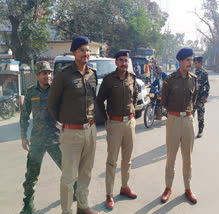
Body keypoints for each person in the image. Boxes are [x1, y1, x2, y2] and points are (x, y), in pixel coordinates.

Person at [48, 36, 98, 214]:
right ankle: (67, 211)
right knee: (69, 177)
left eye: (87, 50)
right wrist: (65, 123)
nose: (86, 53)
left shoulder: (92, 73)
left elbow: (93, 100)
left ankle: (82, 207)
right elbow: (52, 104)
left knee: (86, 172)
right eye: (82, 50)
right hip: (71, 133)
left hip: (90, 130)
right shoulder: (63, 76)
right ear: (74, 52)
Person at [19, 61, 72, 214]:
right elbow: (24, 116)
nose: (47, 76)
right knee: (31, 175)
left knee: (67, 170)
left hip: (56, 138)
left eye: (49, 73)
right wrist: (23, 136)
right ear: (37, 75)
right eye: (44, 73)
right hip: (37, 141)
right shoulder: (30, 92)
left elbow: (66, 110)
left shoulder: (56, 91)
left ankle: (75, 193)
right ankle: (28, 205)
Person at [96, 49, 139, 210]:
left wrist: (133, 109)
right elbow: (100, 100)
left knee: (127, 160)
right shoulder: (108, 80)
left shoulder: (132, 78)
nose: (124, 63)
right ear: (116, 62)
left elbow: (134, 95)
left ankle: (124, 187)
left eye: (126, 60)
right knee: (112, 161)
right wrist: (106, 119)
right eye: (121, 60)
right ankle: (109, 194)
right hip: (114, 124)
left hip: (130, 124)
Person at [160, 48, 198, 204]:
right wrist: (175, 113)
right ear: (180, 62)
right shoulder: (170, 79)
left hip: (188, 120)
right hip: (174, 120)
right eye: (188, 60)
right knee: (171, 156)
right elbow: (164, 101)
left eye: (191, 60)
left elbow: (194, 99)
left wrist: (187, 114)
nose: (190, 63)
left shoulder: (193, 79)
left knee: (187, 157)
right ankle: (168, 188)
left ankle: (188, 188)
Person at [193, 56, 210, 138]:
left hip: (200, 98)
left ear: (201, 63)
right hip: (192, 98)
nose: (195, 65)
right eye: (194, 63)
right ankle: (189, 131)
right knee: (190, 116)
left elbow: (207, 86)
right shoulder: (192, 72)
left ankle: (200, 131)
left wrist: (205, 96)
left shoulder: (204, 73)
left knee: (200, 116)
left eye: (196, 63)